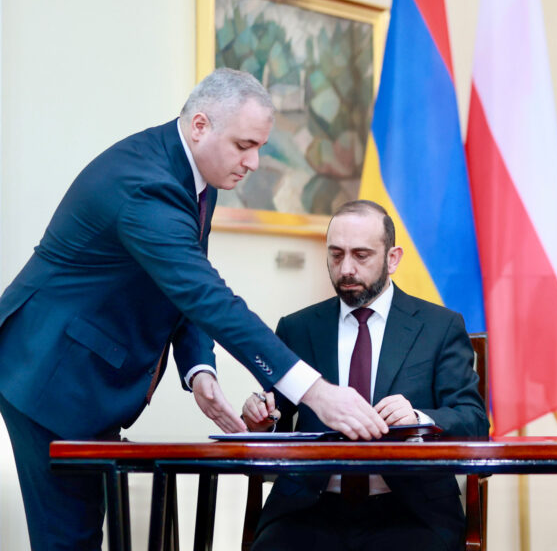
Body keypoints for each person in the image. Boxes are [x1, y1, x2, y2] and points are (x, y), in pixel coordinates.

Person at [0, 68, 387, 551]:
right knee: (68, 541)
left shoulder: (197, 175)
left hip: (81, 370)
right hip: (50, 371)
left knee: (82, 534)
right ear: (201, 125)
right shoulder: (145, 186)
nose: (254, 162)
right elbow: (206, 296)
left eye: (260, 147)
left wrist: (198, 368)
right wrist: (315, 392)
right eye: (244, 145)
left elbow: (184, 282)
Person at [241, 199, 488, 551]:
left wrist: (420, 419)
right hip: (308, 508)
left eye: (361, 255)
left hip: (410, 511)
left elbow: (474, 423)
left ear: (393, 258)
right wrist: (261, 420)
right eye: (336, 255)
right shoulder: (298, 328)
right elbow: (275, 418)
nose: (346, 269)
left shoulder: (440, 327)